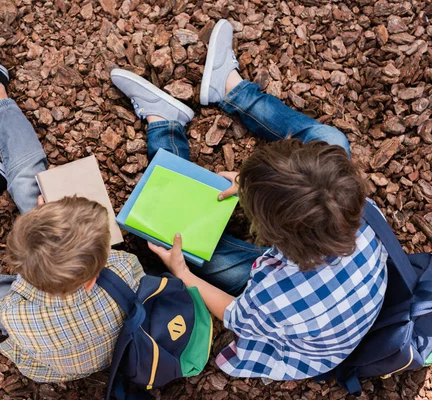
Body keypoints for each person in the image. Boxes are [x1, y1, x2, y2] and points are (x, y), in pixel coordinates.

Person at [110, 19, 387, 380]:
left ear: (271, 235)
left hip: (297, 323)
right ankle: (229, 88)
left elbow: (234, 312)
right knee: (331, 141)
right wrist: (256, 186)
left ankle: (166, 126)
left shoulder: (274, 294)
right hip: (335, 292)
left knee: (181, 241)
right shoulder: (358, 208)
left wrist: (180, 272)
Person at [0, 44, 144, 382]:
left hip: (43, 329)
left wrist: (46, 212)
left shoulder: (18, 313)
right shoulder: (127, 268)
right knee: (34, 190)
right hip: (90, 339)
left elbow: (20, 302)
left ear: (22, 274)